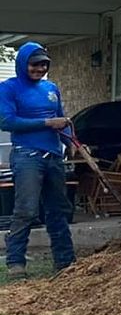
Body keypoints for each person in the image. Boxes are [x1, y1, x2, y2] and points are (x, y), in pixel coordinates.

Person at [0, 42, 75, 275]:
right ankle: (15, 263)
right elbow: (6, 121)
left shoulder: (51, 88)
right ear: (23, 64)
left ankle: (65, 261)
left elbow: (61, 119)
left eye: (44, 64)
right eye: (34, 64)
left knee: (58, 209)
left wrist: (72, 142)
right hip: (27, 156)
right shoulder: (9, 88)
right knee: (27, 210)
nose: (39, 68)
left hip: (53, 156)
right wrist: (46, 123)